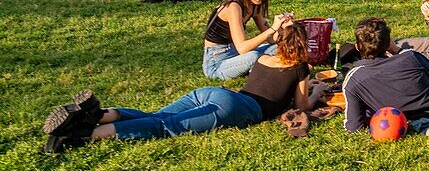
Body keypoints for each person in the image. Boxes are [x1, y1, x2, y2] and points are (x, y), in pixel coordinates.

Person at [41, 22, 328, 153]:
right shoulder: (300, 68)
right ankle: (84, 134)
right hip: (238, 108)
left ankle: (98, 113)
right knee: (163, 127)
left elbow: (271, 83)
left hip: (216, 93)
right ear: (304, 46)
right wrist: (315, 90)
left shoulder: (263, 58)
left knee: (155, 116)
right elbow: (302, 106)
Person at [203, 0, 288, 79]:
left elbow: (272, 39)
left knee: (279, 47)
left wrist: (282, 28)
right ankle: (268, 69)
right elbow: (242, 48)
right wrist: (272, 29)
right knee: (253, 56)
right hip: (217, 63)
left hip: (238, 55)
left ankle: (265, 67)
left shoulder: (254, 5)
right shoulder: (233, 6)